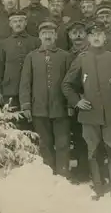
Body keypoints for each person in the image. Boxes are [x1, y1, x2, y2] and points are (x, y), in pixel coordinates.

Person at [62, 22, 111, 201]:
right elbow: (67, 85)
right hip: (90, 115)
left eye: (99, 34)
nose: (96, 37)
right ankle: (98, 187)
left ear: (105, 37)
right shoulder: (82, 58)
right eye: (92, 35)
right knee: (93, 151)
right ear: (88, 38)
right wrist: (78, 102)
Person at [19, 19, 72, 177]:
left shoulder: (65, 56)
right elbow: (25, 82)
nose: (47, 36)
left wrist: (70, 105)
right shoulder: (32, 57)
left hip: (60, 108)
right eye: (44, 33)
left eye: (50, 33)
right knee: (44, 144)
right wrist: (26, 105)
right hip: (39, 108)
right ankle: (48, 175)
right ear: (39, 37)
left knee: (62, 143)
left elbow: (70, 83)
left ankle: (63, 175)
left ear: (56, 36)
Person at [0, 10, 41, 113]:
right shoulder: (4, 43)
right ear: (10, 24)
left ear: (25, 23)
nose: (18, 24)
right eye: (15, 21)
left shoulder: (35, 41)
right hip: (10, 89)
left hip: (31, 89)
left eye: (20, 21)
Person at [66, 21, 91, 183]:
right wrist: (71, 103)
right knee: (79, 138)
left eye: (81, 32)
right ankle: (82, 171)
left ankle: (95, 171)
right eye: (74, 33)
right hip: (76, 104)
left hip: (93, 102)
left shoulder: (93, 53)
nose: (78, 36)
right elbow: (65, 82)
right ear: (69, 36)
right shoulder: (66, 56)